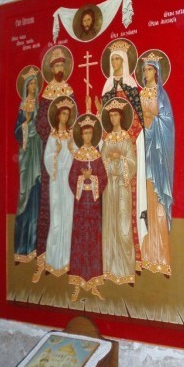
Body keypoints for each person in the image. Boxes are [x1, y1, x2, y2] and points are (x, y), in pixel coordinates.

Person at [96, 40, 147, 270]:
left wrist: (125, 138)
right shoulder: (107, 88)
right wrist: (102, 121)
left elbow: (138, 119)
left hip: (129, 147)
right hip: (110, 150)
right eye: (112, 59)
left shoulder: (131, 87)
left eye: (118, 59)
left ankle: (132, 258)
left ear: (125, 62)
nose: (115, 62)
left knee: (127, 212)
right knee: (110, 213)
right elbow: (103, 123)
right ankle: (110, 260)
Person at [32, 47, 75, 282]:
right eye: (56, 66)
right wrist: (53, 136)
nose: (59, 69)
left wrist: (68, 138)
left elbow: (76, 121)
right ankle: (45, 259)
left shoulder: (69, 91)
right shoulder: (47, 92)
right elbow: (41, 122)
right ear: (51, 69)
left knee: (67, 210)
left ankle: (67, 258)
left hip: (69, 156)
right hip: (51, 157)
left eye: (62, 65)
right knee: (49, 208)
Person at [139, 51, 175, 276]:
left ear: (157, 72)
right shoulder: (142, 94)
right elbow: (136, 123)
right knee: (146, 203)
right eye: (144, 70)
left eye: (150, 69)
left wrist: (153, 120)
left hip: (158, 156)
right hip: (144, 151)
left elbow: (168, 123)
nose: (146, 73)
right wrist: (144, 121)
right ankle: (147, 255)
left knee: (158, 205)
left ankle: (161, 258)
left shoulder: (161, 96)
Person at [68, 115, 107, 302]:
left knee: (93, 240)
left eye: (90, 133)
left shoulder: (97, 156)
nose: (88, 136)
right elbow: (71, 179)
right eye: (85, 133)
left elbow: (104, 178)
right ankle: (77, 285)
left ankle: (93, 284)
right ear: (81, 135)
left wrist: (92, 177)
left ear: (93, 134)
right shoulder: (77, 156)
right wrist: (83, 178)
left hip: (93, 205)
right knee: (79, 241)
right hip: (80, 205)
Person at [101, 99, 137, 285]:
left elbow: (133, 164)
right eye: (110, 115)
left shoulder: (126, 138)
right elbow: (101, 163)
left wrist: (120, 158)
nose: (113, 118)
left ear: (121, 117)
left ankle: (127, 270)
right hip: (110, 187)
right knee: (110, 224)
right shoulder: (107, 139)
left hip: (122, 185)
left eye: (115, 115)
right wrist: (109, 160)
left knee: (123, 226)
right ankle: (110, 269)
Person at [44, 97, 76, 277]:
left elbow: (78, 155)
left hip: (69, 180)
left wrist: (71, 149)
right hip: (57, 181)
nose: (65, 117)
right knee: (56, 219)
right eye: (63, 114)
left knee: (68, 218)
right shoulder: (52, 137)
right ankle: (52, 261)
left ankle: (66, 262)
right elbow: (47, 159)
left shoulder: (71, 136)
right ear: (57, 116)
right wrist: (55, 152)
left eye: (67, 115)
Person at [13, 68, 42, 263]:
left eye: (34, 84)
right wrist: (27, 124)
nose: (33, 86)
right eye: (30, 83)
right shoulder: (23, 106)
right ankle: (21, 247)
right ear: (26, 87)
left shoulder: (38, 106)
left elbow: (42, 129)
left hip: (37, 154)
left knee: (35, 199)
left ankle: (33, 247)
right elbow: (17, 131)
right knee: (24, 197)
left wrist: (36, 127)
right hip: (26, 155)